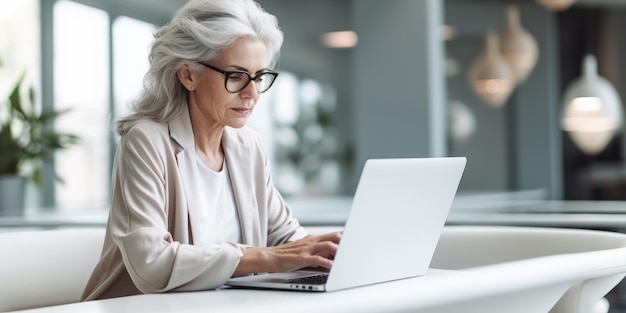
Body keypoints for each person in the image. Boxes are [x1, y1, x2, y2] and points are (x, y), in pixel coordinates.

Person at [81, 0, 341, 301]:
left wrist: (333, 250)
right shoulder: (147, 141)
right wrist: (266, 258)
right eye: (236, 76)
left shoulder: (249, 146)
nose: (252, 94)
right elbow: (151, 264)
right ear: (188, 75)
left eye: (258, 77)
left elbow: (285, 237)